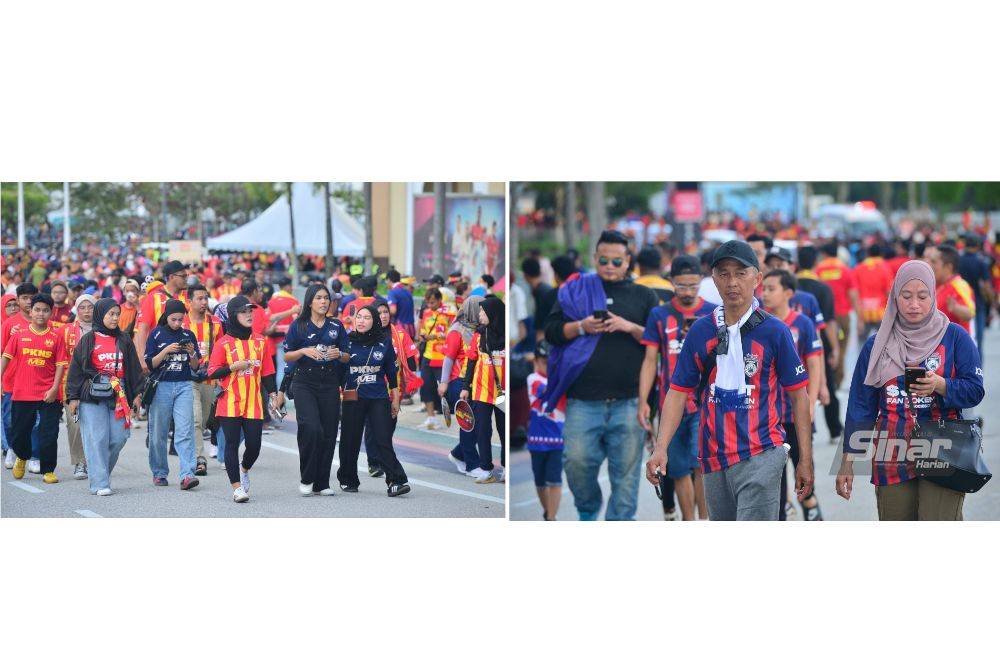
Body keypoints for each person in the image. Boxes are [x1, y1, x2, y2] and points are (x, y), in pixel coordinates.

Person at [646, 241, 815, 521]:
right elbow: (677, 392)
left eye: (741, 273)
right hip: (713, 458)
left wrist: (805, 461)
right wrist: (660, 448)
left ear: (757, 279)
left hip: (762, 452)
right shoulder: (701, 331)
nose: (732, 282)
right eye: (723, 274)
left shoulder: (775, 331)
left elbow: (799, 396)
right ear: (713, 280)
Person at [837, 260, 984, 520]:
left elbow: (975, 389)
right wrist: (848, 460)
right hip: (891, 450)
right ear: (895, 297)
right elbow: (861, 405)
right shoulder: (876, 344)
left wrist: (941, 385)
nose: (914, 304)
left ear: (933, 295)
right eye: (906, 296)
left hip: (943, 448)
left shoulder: (954, 337)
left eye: (922, 296)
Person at [543, 230, 658, 520]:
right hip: (583, 401)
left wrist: (628, 326)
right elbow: (552, 333)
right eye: (603, 259)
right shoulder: (574, 290)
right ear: (594, 258)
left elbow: (658, 342)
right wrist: (581, 326)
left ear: (628, 261)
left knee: (626, 477)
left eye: (617, 261)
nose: (609, 265)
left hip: (629, 401)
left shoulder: (644, 295)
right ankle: (588, 510)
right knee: (576, 464)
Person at [638, 254, 715, 520]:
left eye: (693, 285)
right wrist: (643, 401)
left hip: (705, 404)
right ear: (671, 282)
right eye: (681, 285)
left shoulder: (714, 312)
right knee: (679, 469)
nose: (687, 291)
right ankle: (688, 520)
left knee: (701, 466)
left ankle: (704, 520)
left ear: (701, 282)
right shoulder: (659, 315)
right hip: (670, 405)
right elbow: (650, 360)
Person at [761, 270, 824, 521]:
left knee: (803, 469)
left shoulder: (803, 324)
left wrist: (813, 400)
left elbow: (815, 363)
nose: (765, 293)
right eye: (763, 288)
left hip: (796, 412)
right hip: (768, 416)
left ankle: (811, 510)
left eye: (771, 288)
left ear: (788, 293)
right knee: (775, 478)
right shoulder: (759, 323)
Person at [65, 298, 145, 496]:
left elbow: (134, 368)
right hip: (91, 395)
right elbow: (76, 370)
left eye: (117, 314)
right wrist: (73, 397)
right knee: (96, 439)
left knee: (119, 437)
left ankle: (98, 473)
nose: (115, 318)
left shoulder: (124, 339)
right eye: (111, 314)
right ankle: (100, 482)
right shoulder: (88, 339)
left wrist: (137, 394)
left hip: (120, 395)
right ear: (101, 315)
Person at [207, 295, 278, 503]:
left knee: (254, 445)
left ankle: (244, 469)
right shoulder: (223, 343)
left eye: (250, 311)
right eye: (244, 311)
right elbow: (212, 372)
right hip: (229, 401)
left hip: (254, 403)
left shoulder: (260, 341)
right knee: (230, 444)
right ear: (233, 315)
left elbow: (267, 372)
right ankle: (237, 488)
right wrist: (232, 367)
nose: (249, 315)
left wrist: (273, 395)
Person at [336, 304, 410, 496]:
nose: (361, 321)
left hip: (378, 397)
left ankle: (396, 480)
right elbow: (338, 372)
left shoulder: (384, 342)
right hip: (352, 397)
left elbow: (392, 374)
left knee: (383, 439)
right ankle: (348, 479)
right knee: (349, 440)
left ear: (375, 321)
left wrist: (395, 399)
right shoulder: (345, 342)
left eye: (367, 317)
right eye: (359, 317)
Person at [283, 284, 350, 496]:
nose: (323, 302)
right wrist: (304, 351)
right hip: (304, 382)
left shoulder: (336, 326)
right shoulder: (299, 325)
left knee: (329, 433)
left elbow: (347, 355)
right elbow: (287, 355)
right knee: (311, 428)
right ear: (310, 301)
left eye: (326, 298)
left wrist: (337, 354)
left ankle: (322, 482)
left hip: (330, 383)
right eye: (319, 298)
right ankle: (307, 477)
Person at [1, 294, 68, 483]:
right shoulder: (19, 336)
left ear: (51, 313)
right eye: (37, 309)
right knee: (19, 431)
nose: (41, 314)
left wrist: (55, 389)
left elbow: (61, 365)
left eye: (45, 310)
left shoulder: (56, 337)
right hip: (22, 392)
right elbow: (5, 357)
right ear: (30, 311)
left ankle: (48, 469)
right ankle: (22, 456)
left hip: (48, 393)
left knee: (49, 432)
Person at [144, 298, 201, 490]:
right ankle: (159, 472)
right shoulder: (156, 334)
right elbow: (150, 364)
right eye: (174, 319)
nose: (177, 323)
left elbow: (195, 366)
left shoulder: (188, 334)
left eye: (180, 320)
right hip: (162, 386)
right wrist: (166, 350)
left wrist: (192, 353)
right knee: (158, 433)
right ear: (166, 316)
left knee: (185, 431)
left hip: (184, 385)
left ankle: (187, 475)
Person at [795, 246, 842, 445]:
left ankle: (801, 430)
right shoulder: (822, 288)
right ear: (816, 263)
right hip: (818, 345)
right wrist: (835, 348)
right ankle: (834, 430)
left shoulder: (791, 286)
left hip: (795, 345)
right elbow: (829, 321)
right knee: (827, 387)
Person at [461, 295, 507, 484]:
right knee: (482, 431)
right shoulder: (479, 335)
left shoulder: (507, 337)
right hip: (481, 392)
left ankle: (506, 468)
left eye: (483, 311)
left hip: (503, 394)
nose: (480, 314)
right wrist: (466, 387)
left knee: (505, 431)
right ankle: (486, 469)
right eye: (479, 310)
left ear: (493, 313)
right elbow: (471, 361)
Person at [440, 295, 485, 477]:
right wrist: (443, 383)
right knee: (469, 422)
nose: (483, 312)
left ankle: (458, 454)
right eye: (480, 308)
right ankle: (472, 465)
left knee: (478, 422)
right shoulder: (456, 331)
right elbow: (449, 358)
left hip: (475, 381)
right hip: (457, 381)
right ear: (472, 310)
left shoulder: (479, 330)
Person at [183, 284, 224, 474]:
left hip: (209, 378)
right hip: (187, 379)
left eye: (205, 298)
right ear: (189, 301)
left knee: (206, 420)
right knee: (196, 420)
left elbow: (221, 350)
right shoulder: (181, 323)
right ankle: (200, 459)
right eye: (199, 298)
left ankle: (191, 451)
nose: (203, 302)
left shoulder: (215, 323)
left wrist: (220, 376)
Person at [2, 283, 40, 470]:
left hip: (35, 382)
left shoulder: (42, 322)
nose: (28, 301)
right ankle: (12, 447)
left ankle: (33, 455)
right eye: (24, 298)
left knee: (34, 420)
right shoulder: (9, 324)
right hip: (11, 381)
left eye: (31, 297)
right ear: (18, 300)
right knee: (10, 420)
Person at [526, 341, 565, 520]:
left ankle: (551, 517)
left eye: (551, 363)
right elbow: (552, 393)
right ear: (536, 361)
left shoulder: (562, 380)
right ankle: (549, 513)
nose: (547, 366)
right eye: (544, 362)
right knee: (540, 482)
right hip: (536, 440)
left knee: (555, 480)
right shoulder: (533, 379)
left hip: (557, 439)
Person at [61, 294, 97, 479]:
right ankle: (79, 462)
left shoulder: (104, 329)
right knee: (74, 425)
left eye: (90, 307)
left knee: (95, 425)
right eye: (82, 307)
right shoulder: (66, 331)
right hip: (72, 384)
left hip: (98, 383)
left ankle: (96, 460)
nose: (86, 311)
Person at [816, 242, 860, 389]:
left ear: (824, 254)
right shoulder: (845, 270)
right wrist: (858, 316)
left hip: (824, 317)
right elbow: (853, 294)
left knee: (824, 347)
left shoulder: (819, 269)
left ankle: (826, 377)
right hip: (842, 316)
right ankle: (838, 379)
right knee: (841, 347)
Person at [134, 260, 190, 373]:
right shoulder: (153, 297)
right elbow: (142, 330)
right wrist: (142, 359)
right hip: (160, 362)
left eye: (186, 275)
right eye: (183, 276)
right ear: (171, 277)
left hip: (184, 362)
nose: (186, 278)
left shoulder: (189, 297)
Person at [416, 287, 454, 429]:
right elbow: (422, 331)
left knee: (445, 390)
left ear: (439, 300)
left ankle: (447, 417)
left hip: (444, 357)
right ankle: (431, 418)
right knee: (426, 387)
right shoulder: (426, 313)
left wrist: (437, 336)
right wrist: (423, 336)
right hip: (428, 355)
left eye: (433, 302)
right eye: (428, 302)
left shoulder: (449, 313)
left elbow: (453, 332)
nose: (430, 305)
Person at [926, 244, 975, 334]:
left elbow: (970, 313)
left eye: (934, 261)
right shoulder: (937, 284)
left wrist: (956, 308)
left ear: (948, 267)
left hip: (954, 345)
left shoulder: (959, 285)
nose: (928, 264)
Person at [959, 235, 993, 353]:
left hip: (960, 304)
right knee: (978, 341)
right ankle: (978, 369)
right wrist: (991, 301)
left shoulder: (958, 261)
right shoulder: (981, 262)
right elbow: (987, 286)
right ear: (977, 246)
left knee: (960, 339)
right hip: (977, 304)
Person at [853, 244, 893, 342]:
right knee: (884, 344)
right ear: (881, 254)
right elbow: (889, 292)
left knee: (862, 345)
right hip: (881, 313)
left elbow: (855, 294)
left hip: (863, 313)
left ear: (868, 254)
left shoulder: (858, 268)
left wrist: (858, 318)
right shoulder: (885, 268)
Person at [521, 257, 557, 342]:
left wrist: (539, 347)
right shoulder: (545, 289)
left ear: (525, 275)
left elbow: (541, 322)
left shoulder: (541, 292)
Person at [386, 269, 416, 339]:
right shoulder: (408, 292)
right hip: (411, 328)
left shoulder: (392, 292)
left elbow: (393, 310)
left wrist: (382, 312)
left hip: (400, 330)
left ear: (389, 280)